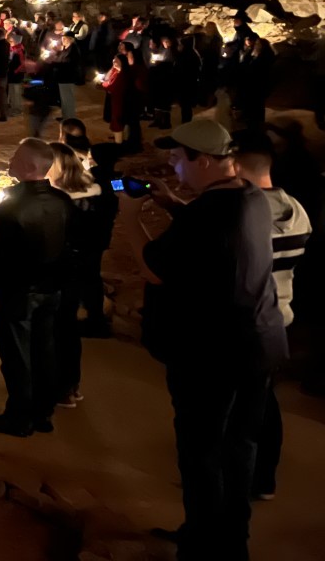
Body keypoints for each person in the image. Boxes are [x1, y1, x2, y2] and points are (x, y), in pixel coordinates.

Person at [125, 120, 286, 560]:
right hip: (257, 344)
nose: (173, 165)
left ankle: (202, 545)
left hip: (213, 353)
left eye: (179, 158)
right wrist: (176, 204)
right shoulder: (250, 197)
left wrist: (128, 217)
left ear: (206, 160)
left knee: (202, 450)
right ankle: (230, 542)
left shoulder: (208, 213)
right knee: (240, 448)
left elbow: (155, 267)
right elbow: (218, 239)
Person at [231, 132, 311, 502]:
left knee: (240, 410)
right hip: (281, 316)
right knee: (264, 399)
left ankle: (241, 482)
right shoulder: (296, 210)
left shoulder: (244, 214)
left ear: (235, 165)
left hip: (247, 323)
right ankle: (265, 478)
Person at [0, 138, 72, 437]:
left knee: (16, 355)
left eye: (16, 158)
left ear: (31, 167)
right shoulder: (62, 201)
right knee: (45, 350)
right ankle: (43, 413)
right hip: (52, 287)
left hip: (16, 291)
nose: (10, 161)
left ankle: (19, 416)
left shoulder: (13, 205)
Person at [46, 142, 116, 408]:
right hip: (88, 257)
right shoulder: (100, 189)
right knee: (68, 328)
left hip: (62, 270)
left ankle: (60, 387)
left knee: (57, 328)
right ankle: (70, 385)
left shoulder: (62, 201)